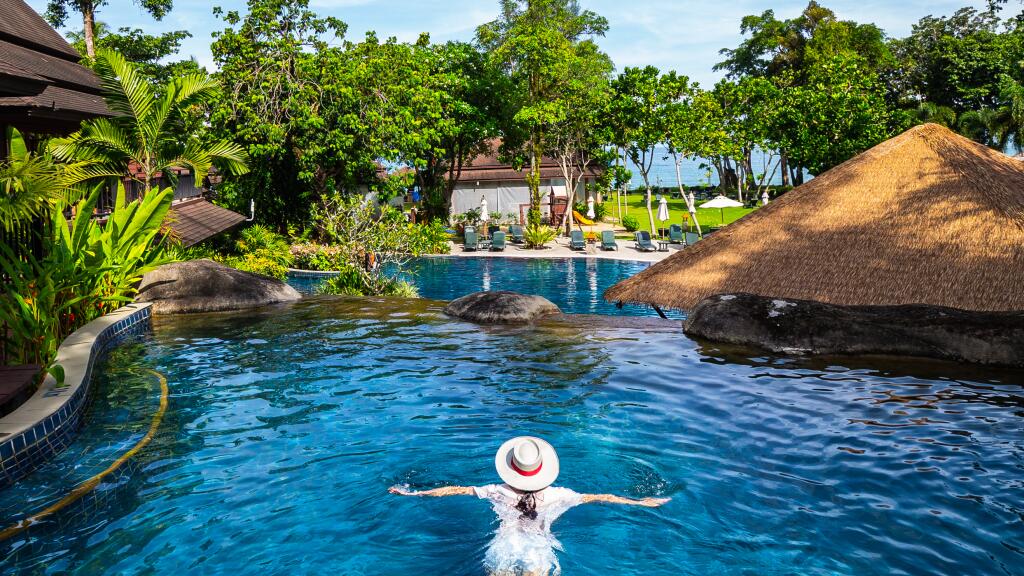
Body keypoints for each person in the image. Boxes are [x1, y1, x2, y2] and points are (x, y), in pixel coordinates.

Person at [389, 436, 670, 576]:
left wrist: (414, 494)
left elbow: (454, 490)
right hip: (540, 547)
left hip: (504, 543)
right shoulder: (562, 495)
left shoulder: (495, 490)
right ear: (542, 468)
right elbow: (603, 497)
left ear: (511, 467)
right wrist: (642, 502)